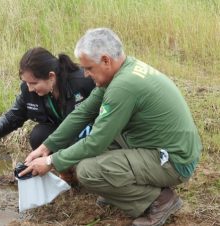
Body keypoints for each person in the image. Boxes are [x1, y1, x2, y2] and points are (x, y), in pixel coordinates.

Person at [19, 28, 202, 226]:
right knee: (87, 153)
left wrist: (50, 161)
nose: (85, 74)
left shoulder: (123, 86)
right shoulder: (123, 71)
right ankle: (117, 189)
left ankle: (160, 200)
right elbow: (83, 113)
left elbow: (96, 142)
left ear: (106, 60)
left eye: (88, 68)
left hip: (175, 160)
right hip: (157, 144)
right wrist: (46, 146)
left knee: (88, 171)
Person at [0, 47, 95, 158]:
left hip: (89, 136)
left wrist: (92, 124)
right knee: (38, 136)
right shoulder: (29, 91)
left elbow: (108, 105)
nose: (30, 88)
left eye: (33, 83)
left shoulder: (83, 81)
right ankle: (61, 167)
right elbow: (13, 116)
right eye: (26, 82)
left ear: (51, 77)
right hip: (62, 133)